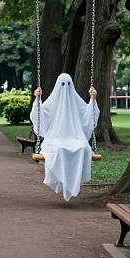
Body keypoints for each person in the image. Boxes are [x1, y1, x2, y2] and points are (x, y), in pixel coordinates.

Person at [30, 73, 99, 201]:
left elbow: (88, 114)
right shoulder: (52, 103)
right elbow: (40, 115)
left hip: (75, 138)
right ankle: (61, 179)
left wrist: (93, 99)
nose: (65, 87)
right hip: (55, 139)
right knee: (59, 150)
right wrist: (37, 99)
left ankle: (71, 182)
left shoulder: (76, 103)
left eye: (68, 84)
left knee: (83, 148)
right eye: (62, 84)